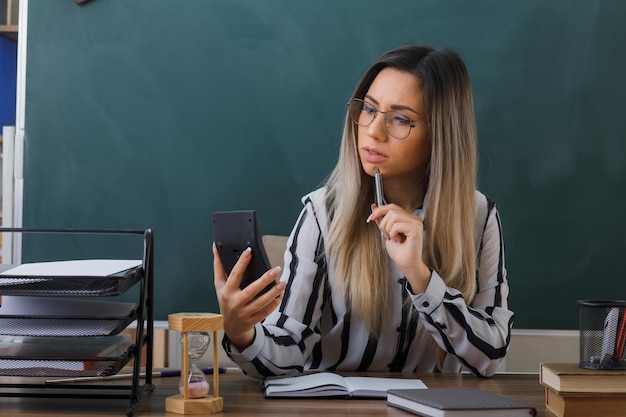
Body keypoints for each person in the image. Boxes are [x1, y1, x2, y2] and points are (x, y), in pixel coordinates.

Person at [213, 44, 514, 379]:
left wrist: (420, 276)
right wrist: (242, 333)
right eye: (369, 109)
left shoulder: (478, 216)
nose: (373, 131)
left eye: (400, 119)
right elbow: (288, 347)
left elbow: (490, 355)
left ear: (439, 135)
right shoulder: (322, 212)